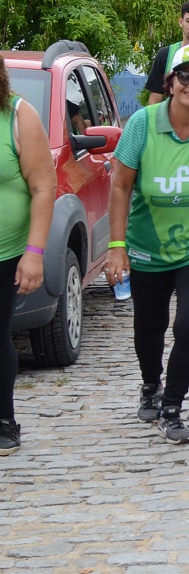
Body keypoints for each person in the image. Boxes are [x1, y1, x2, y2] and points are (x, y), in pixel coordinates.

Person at [105, 44, 189, 444]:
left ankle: (172, 406)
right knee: (150, 326)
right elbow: (121, 185)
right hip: (147, 243)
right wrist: (117, 245)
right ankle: (150, 385)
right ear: (170, 81)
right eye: (186, 76)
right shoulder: (141, 123)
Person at [0, 57, 54, 456]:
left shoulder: (19, 115)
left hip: (6, 253)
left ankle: (4, 420)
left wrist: (34, 254)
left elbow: (42, 187)